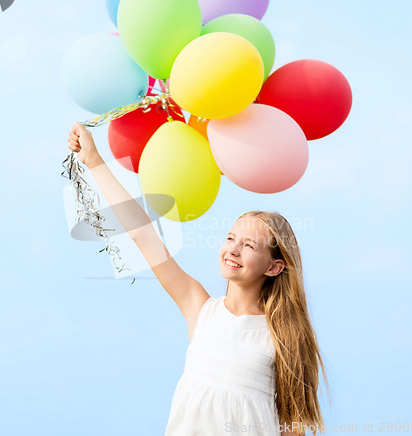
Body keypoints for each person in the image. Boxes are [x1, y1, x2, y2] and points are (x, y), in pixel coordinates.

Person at [67, 122, 329, 436]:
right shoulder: (200, 308)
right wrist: (95, 161)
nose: (233, 249)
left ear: (273, 267)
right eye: (231, 238)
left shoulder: (282, 335)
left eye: (248, 245)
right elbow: (142, 233)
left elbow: (292, 426)